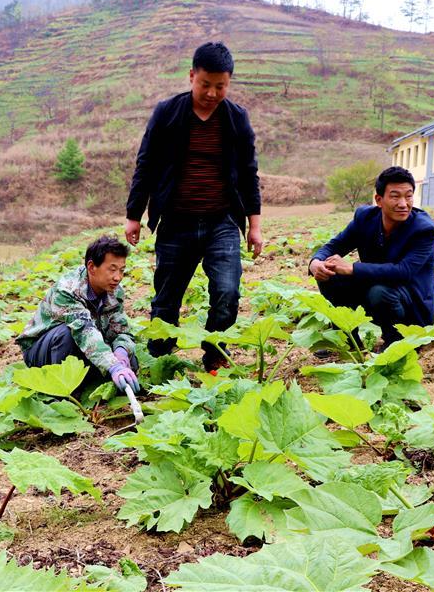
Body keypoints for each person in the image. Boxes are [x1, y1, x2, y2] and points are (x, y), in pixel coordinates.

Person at [124, 41, 262, 372]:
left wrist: (254, 225)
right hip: (176, 220)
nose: (212, 93)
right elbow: (146, 165)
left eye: (220, 86)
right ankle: (160, 359)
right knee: (166, 298)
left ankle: (215, 356)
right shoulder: (167, 113)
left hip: (222, 221)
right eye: (205, 84)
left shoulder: (237, 119)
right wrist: (133, 216)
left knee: (228, 291)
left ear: (228, 83)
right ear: (191, 76)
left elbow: (248, 173)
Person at [308, 166, 434, 348]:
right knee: (329, 274)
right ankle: (347, 341)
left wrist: (352, 268)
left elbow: (404, 271)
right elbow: (335, 245)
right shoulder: (365, 218)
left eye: (408, 196)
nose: (403, 203)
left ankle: (395, 341)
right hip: (375, 293)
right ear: (379, 200)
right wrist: (316, 263)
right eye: (395, 196)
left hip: (411, 305)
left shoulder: (424, 229)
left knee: (379, 291)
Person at [16, 236, 139, 394]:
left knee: (129, 360)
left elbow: (120, 330)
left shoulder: (114, 290)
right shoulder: (67, 290)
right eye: (112, 269)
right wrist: (113, 365)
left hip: (83, 345)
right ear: (92, 267)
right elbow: (84, 330)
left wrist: (121, 352)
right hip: (41, 351)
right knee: (66, 334)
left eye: (122, 270)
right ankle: (62, 394)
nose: (118, 277)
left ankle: (97, 382)